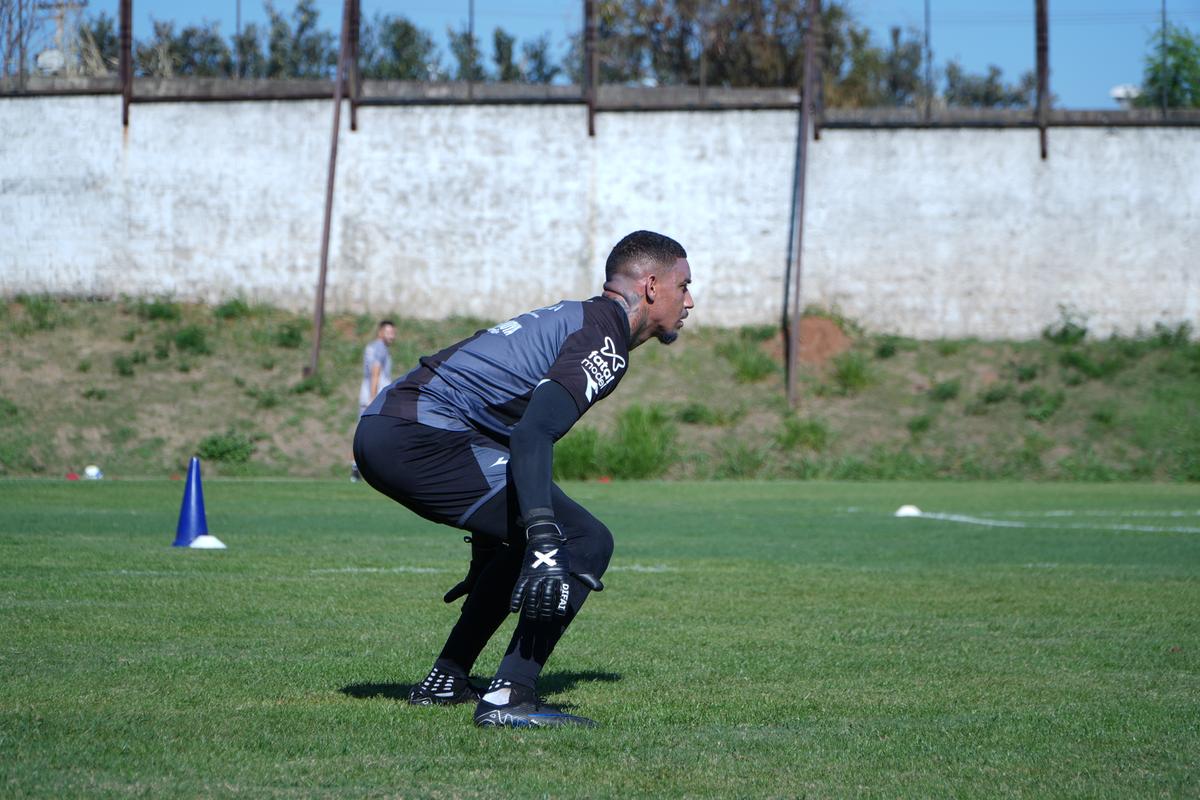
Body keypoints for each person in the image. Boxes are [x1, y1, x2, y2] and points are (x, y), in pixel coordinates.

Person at [353, 230, 693, 728]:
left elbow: (495, 423)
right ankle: (510, 697)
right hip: (417, 434)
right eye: (684, 285)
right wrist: (543, 536)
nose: (689, 300)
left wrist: (501, 543)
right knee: (582, 539)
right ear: (650, 285)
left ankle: (446, 679)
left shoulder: (582, 319)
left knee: (523, 544)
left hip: (396, 426)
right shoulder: (604, 337)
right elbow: (532, 436)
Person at [351, 320, 396, 482]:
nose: (392, 336)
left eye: (393, 333)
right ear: (380, 332)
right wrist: (373, 396)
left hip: (369, 394)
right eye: (389, 332)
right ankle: (380, 468)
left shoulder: (372, 347)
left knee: (362, 432)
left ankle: (356, 468)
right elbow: (375, 371)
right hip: (375, 396)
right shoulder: (380, 348)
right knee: (383, 432)